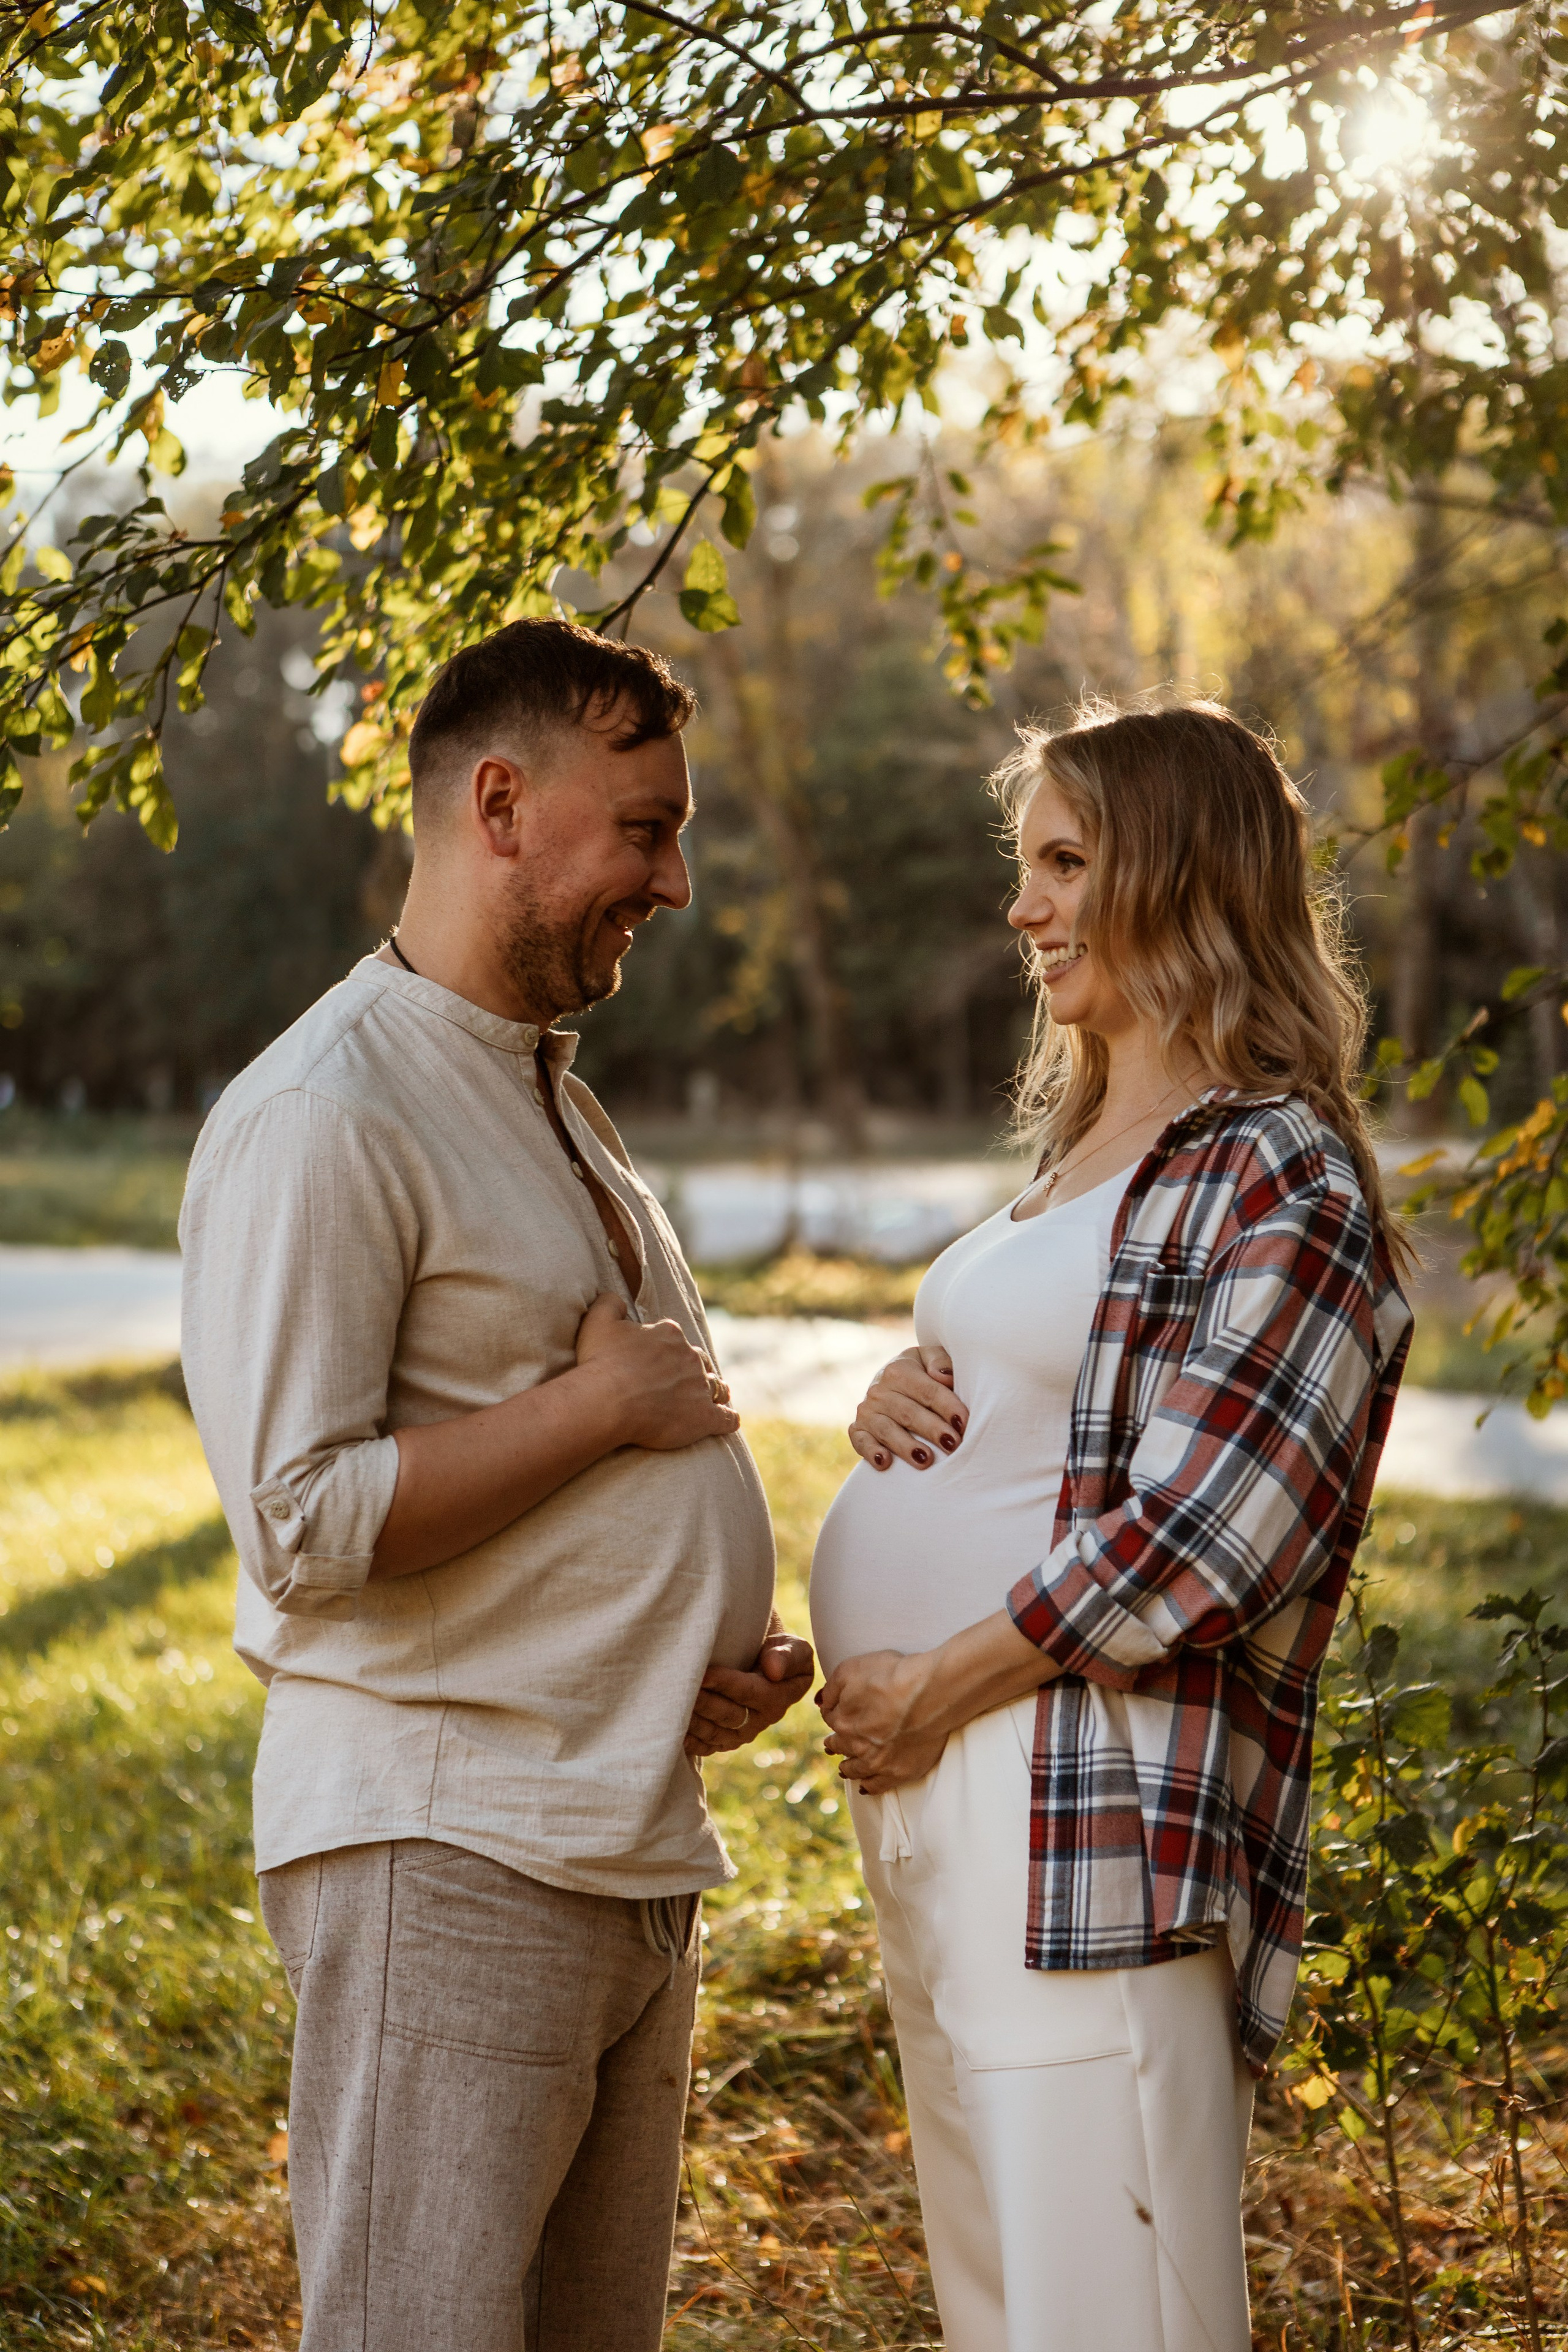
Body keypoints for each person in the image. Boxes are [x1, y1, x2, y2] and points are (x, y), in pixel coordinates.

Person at [179, 618, 814, 2352]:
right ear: (501, 802)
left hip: (608, 1846)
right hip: (445, 1857)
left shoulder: (553, 1097)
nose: (674, 881)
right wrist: (602, 1411)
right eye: (646, 827)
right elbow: (300, 1525)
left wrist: (672, 1669)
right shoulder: (329, 1109)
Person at [810, 701, 1412, 2352]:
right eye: (1027, 870)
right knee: (999, 2293)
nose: (1026, 910)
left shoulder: (1281, 1174)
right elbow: (1052, 1414)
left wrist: (939, 1679)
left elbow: (1211, 1535)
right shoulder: (1074, 1159)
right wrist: (902, 1401)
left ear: (1181, 872)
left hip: (1083, 1798)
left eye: (1066, 864)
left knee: (1106, 2307)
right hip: (943, 1786)